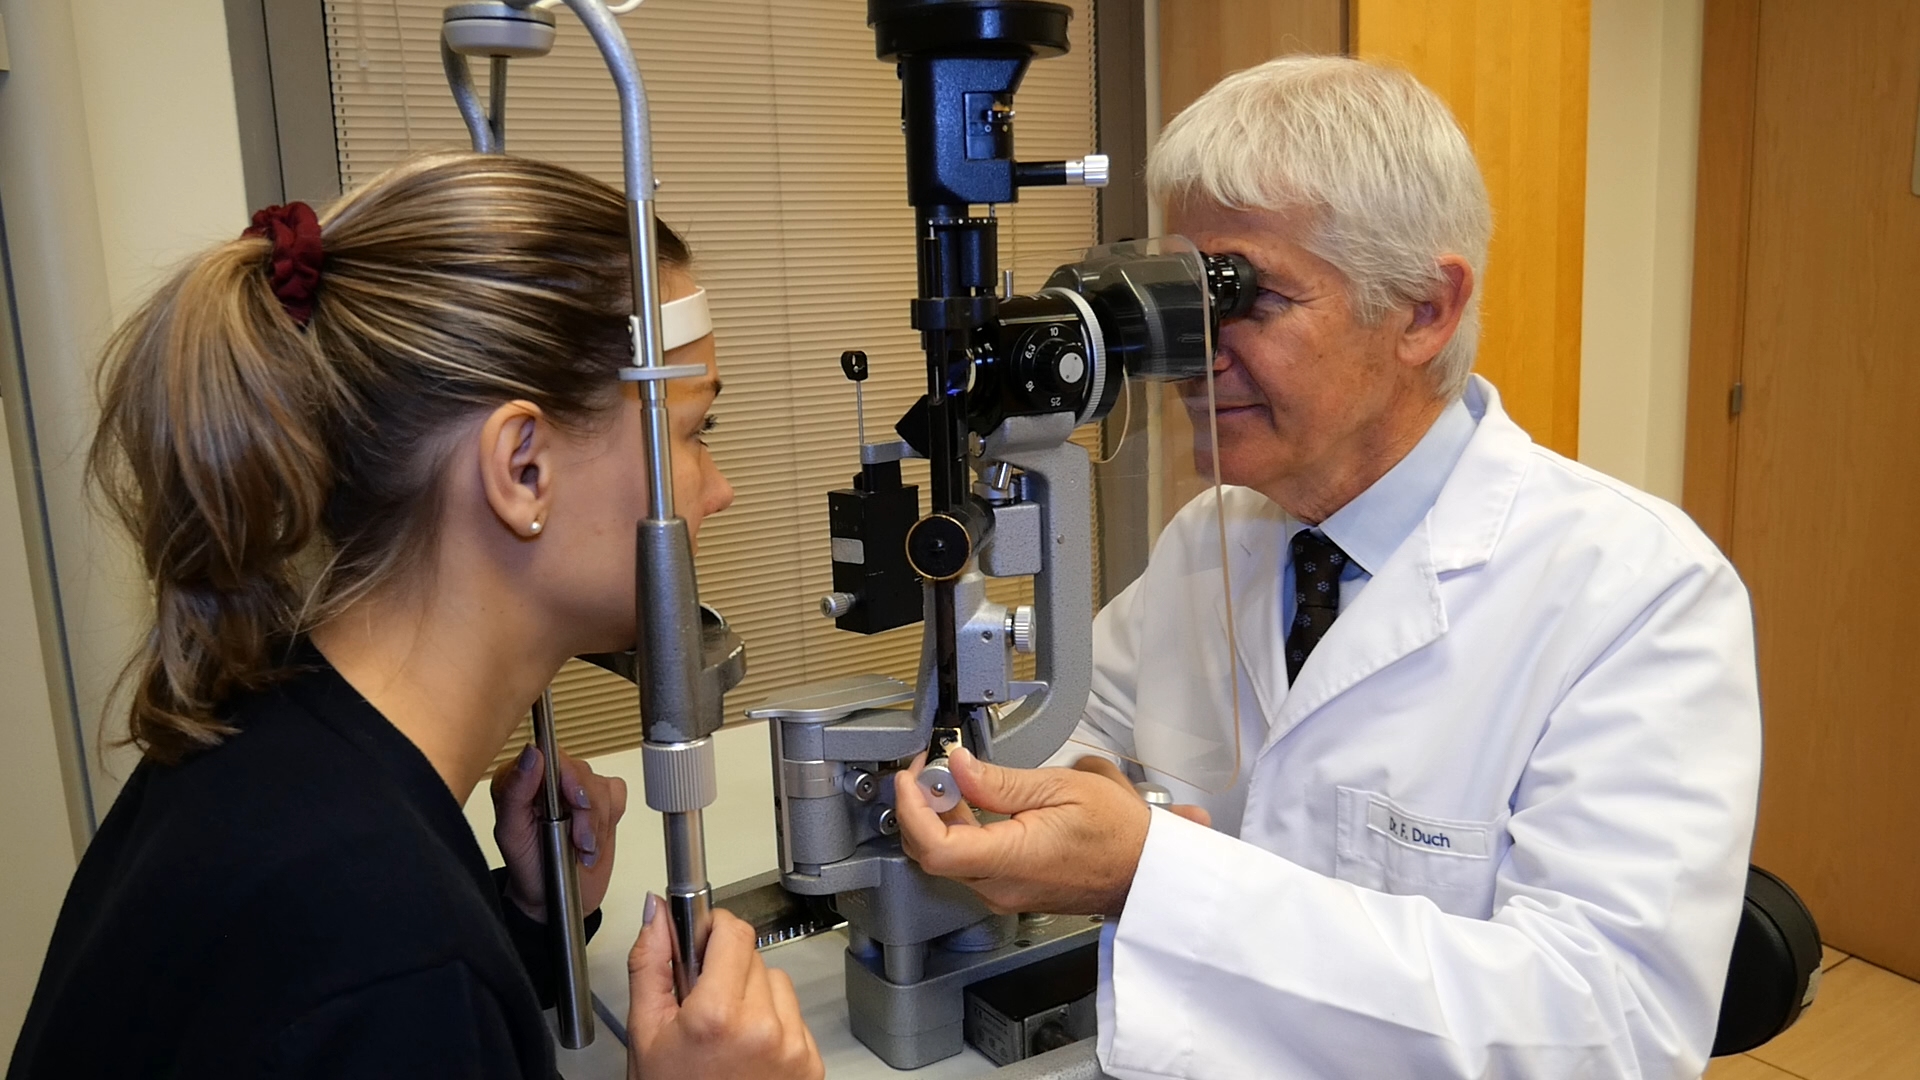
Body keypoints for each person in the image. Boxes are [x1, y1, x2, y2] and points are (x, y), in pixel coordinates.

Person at [895, 57, 1762, 1079]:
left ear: (1424, 311)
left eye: (1243, 296)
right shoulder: (1210, 539)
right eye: (1178, 298)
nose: (1191, 355)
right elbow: (1074, 727)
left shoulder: (1640, 597)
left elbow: (1609, 1033)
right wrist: (1069, 794)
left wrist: (1156, 873)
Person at [9, 152, 821, 1080]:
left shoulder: (273, 724)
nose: (720, 494)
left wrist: (516, 923)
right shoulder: (385, 949)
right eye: (692, 433)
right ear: (522, 470)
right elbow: (380, 999)